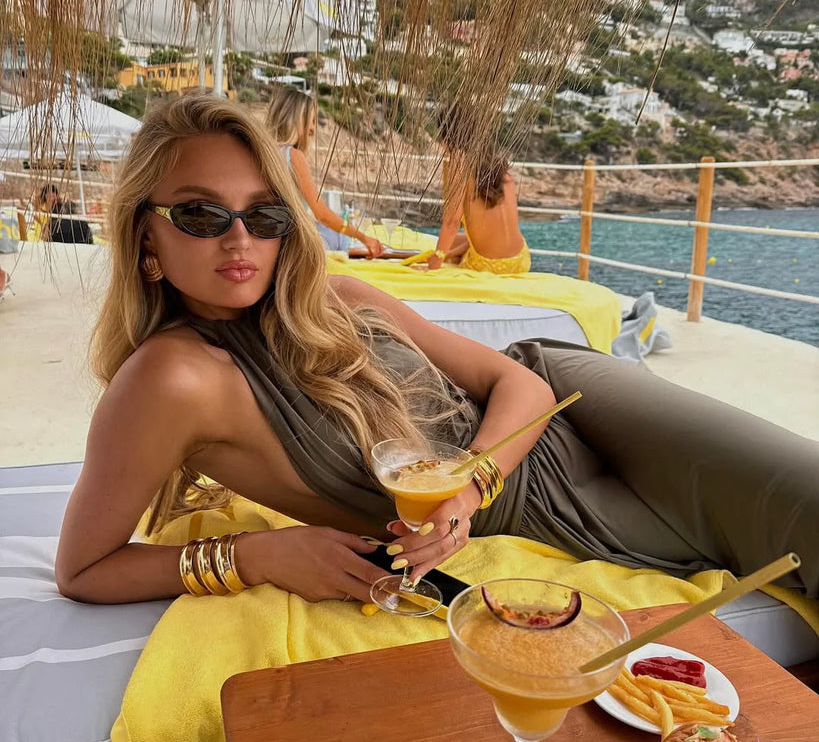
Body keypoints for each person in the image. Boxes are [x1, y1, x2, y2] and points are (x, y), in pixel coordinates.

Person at [55, 94, 818, 606]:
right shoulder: (171, 379)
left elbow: (520, 382)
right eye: (200, 214)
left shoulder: (336, 299)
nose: (239, 240)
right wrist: (255, 557)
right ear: (145, 237)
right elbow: (83, 568)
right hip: (548, 506)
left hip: (560, 405)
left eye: (264, 215)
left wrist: (467, 487)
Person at [265, 86, 383, 258]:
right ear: (298, 120)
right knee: (338, 236)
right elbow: (322, 214)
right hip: (292, 245)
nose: (313, 129)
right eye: (311, 121)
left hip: (271, 239)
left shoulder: (263, 154)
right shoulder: (293, 156)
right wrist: (363, 237)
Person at [427, 109, 530, 273]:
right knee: (452, 242)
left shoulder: (458, 163)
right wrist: (451, 253)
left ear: (446, 136)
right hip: (521, 259)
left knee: (435, 245)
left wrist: (435, 264)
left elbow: (452, 222)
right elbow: (492, 229)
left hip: (490, 266)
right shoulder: (497, 165)